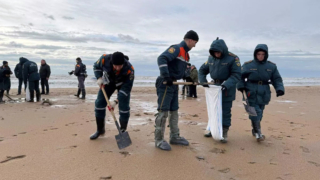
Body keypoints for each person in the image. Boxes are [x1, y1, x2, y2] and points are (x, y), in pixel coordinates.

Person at [155, 30, 199, 151]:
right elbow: (162, 58)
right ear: (190, 40)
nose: (195, 45)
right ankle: (158, 140)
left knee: (174, 110)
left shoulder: (186, 55)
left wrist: (190, 78)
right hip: (165, 83)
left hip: (174, 84)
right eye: (195, 43)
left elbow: (183, 72)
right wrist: (166, 75)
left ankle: (174, 136)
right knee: (163, 111)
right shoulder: (177, 48)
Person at [237, 44, 284, 141]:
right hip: (251, 91)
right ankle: (258, 133)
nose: (261, 56)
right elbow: (239, 76)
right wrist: (241, 86)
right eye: (259, 54)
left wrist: (279, 89)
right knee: (255, 112)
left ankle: (255, 129)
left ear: (266, 55)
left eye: (263, 54)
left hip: (264, 92)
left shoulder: (271, 66)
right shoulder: (248, 65)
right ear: (255, 54)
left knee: (260, 112)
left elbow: (277, 79)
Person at [199, 38, 241, 143]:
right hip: (214, 88)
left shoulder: (233, 58)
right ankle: (211, 129)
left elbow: (236, 75)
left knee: (225, 111)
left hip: (227, 88)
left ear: (223, 50)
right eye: (214, 52)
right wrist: (203, 81)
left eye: (218, 52)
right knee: (213, 109)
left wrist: (226, 85)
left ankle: (224, 131)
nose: (216, 54)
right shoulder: (210, 59)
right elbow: (202, 70)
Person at [91, 52, 134, 140]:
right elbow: (96, 66)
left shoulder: (130, 69)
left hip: (122, 84)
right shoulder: (104, 59)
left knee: (124, 108)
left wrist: (115, 102)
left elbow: (126, 89)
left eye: (120, 66)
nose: (117, 68)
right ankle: (100, 130)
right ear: (111, 62)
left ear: (123, 63)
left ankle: (122, 130)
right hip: (108, 82)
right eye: (115, 66)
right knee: (99, 103)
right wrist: (99, 77)